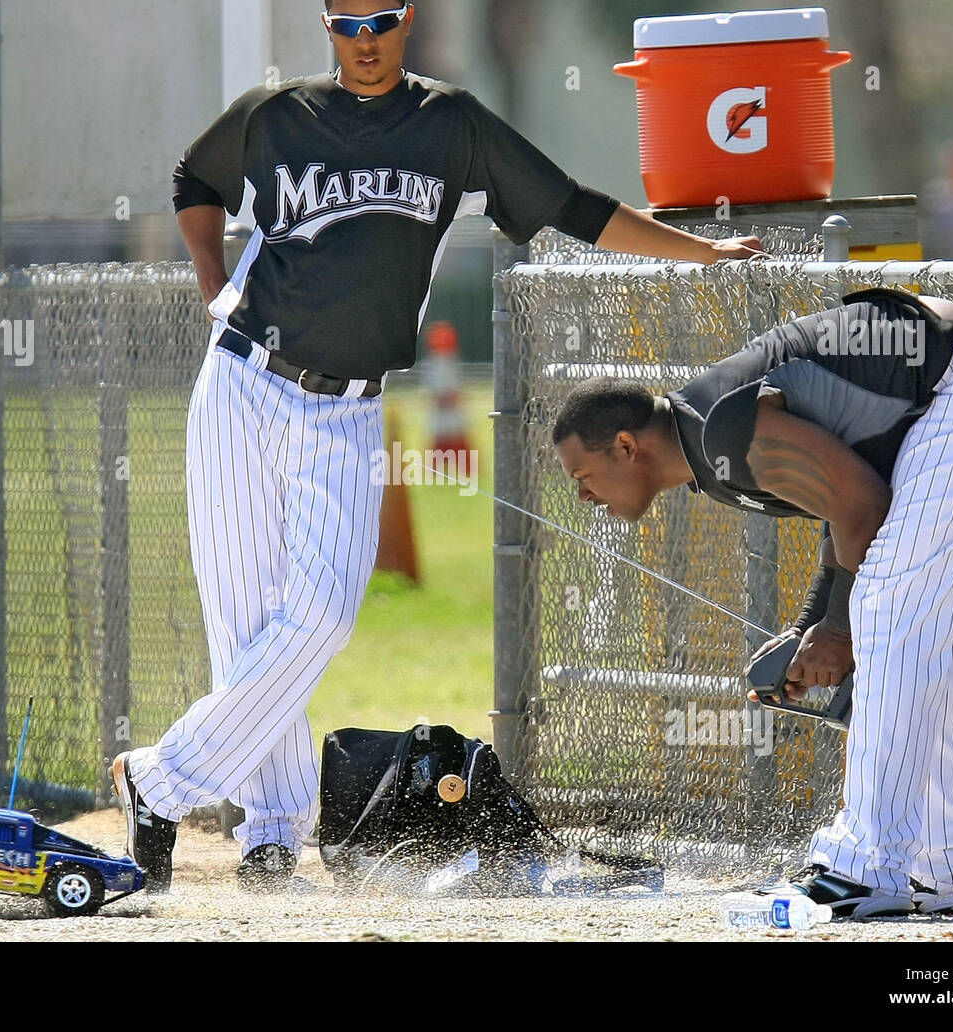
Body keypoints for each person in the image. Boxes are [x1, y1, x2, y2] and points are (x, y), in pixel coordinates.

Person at [110, 0, 762, 894]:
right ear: (327, 28)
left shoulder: (447, 123)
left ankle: (157, 780)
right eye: (348, 23)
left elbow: (570, 203)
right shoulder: (278, 114)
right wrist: (212, 279)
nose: (365, 39)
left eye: (381, 19)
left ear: (406, 20)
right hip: (244, 385)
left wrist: (693, 253)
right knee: (246, 625)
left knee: (322, 617)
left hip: (347, 408)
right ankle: (270, 831)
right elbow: (195, 176)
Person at [552, 287, 953, 916]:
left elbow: (860, 504)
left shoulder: (725, 429)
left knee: (888, 617)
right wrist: (813, 626)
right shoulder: (712, 437)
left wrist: (835, 629)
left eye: (582, 478)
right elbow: (847, 497)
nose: (584, 497)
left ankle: (864, 867)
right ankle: (946, 868)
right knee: (910, 630)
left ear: (627, 447)